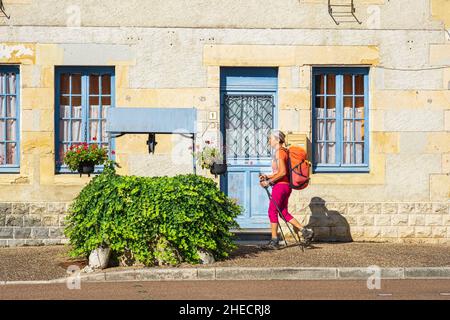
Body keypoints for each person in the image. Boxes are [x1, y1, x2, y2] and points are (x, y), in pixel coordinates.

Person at [259, 130, 314, 249]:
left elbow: (283, 172)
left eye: (270, 138)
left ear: (278, 140)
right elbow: (280, 172)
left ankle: (274, 241)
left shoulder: (279, 152)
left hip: (280, 186)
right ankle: (305, 231)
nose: (269, 140)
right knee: (283, 212)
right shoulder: (284, 152)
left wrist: (268, 182)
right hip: (286, 186)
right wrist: (268, 176)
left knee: (272, 211)